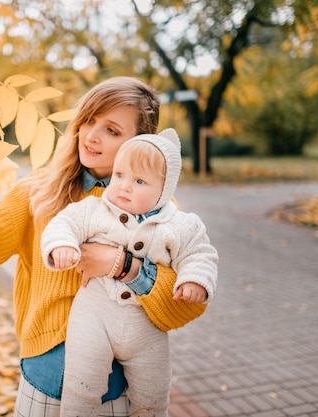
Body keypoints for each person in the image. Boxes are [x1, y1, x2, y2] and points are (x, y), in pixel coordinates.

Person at [0, 76, 206, 417]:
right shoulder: (39, 191)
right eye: (89, 119)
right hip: (41, 383)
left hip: (115, 394)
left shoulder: (158, 211)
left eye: (112, 130)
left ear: (140, 143)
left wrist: (123, 265)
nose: (91, 135)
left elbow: (185, 305)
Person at [40, 128, 218, 416]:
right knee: (81, 385)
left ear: (165, 189)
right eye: (119, 175)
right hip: (93, 315)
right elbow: (63, 224)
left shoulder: (181, 225)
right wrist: (61, 245)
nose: (124, 186)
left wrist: (195, 279)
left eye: (139, 181)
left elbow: (200, 254)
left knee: (154, 394)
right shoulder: (95, 209)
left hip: (145, 325)